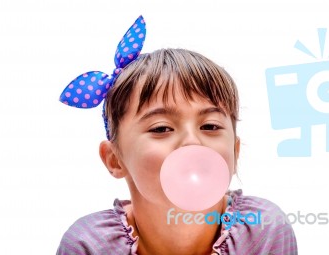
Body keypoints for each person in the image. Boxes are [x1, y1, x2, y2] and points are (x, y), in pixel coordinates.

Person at [57, 16, 298, 255]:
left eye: (210, 126)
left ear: (235, 152)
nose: (193, 142)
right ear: (114, 159)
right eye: (161, 128)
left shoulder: (264, 231)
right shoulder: (88, 246)